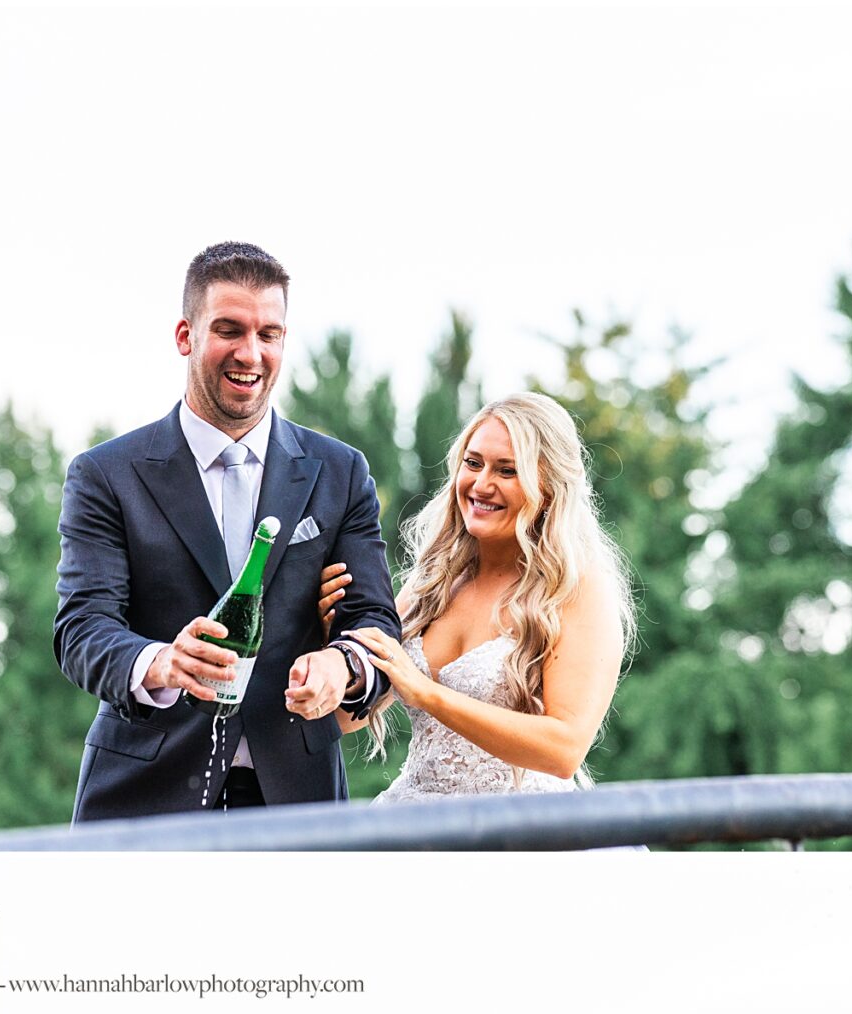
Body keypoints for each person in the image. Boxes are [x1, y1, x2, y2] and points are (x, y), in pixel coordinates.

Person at [54, 241, 401, 824]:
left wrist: (343, 665)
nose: (251, 353)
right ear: (185, 336)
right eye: (230, 329)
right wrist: (160, 662)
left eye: (269, 334)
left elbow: (375, 620)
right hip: (142, 799)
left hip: (298, 801)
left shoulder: (340, 472)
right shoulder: (104, 475)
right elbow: (82, 628)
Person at [320, 393, 633, 800]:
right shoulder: (431, 582)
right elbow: (347, 721)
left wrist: (428, 694)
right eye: (473, 463)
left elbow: (564, 749)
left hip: (521, 834)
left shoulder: (576, 588)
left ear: (550, 487)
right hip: (411, 819)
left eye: (507, 470)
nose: (481, 485)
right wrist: (332, 645)